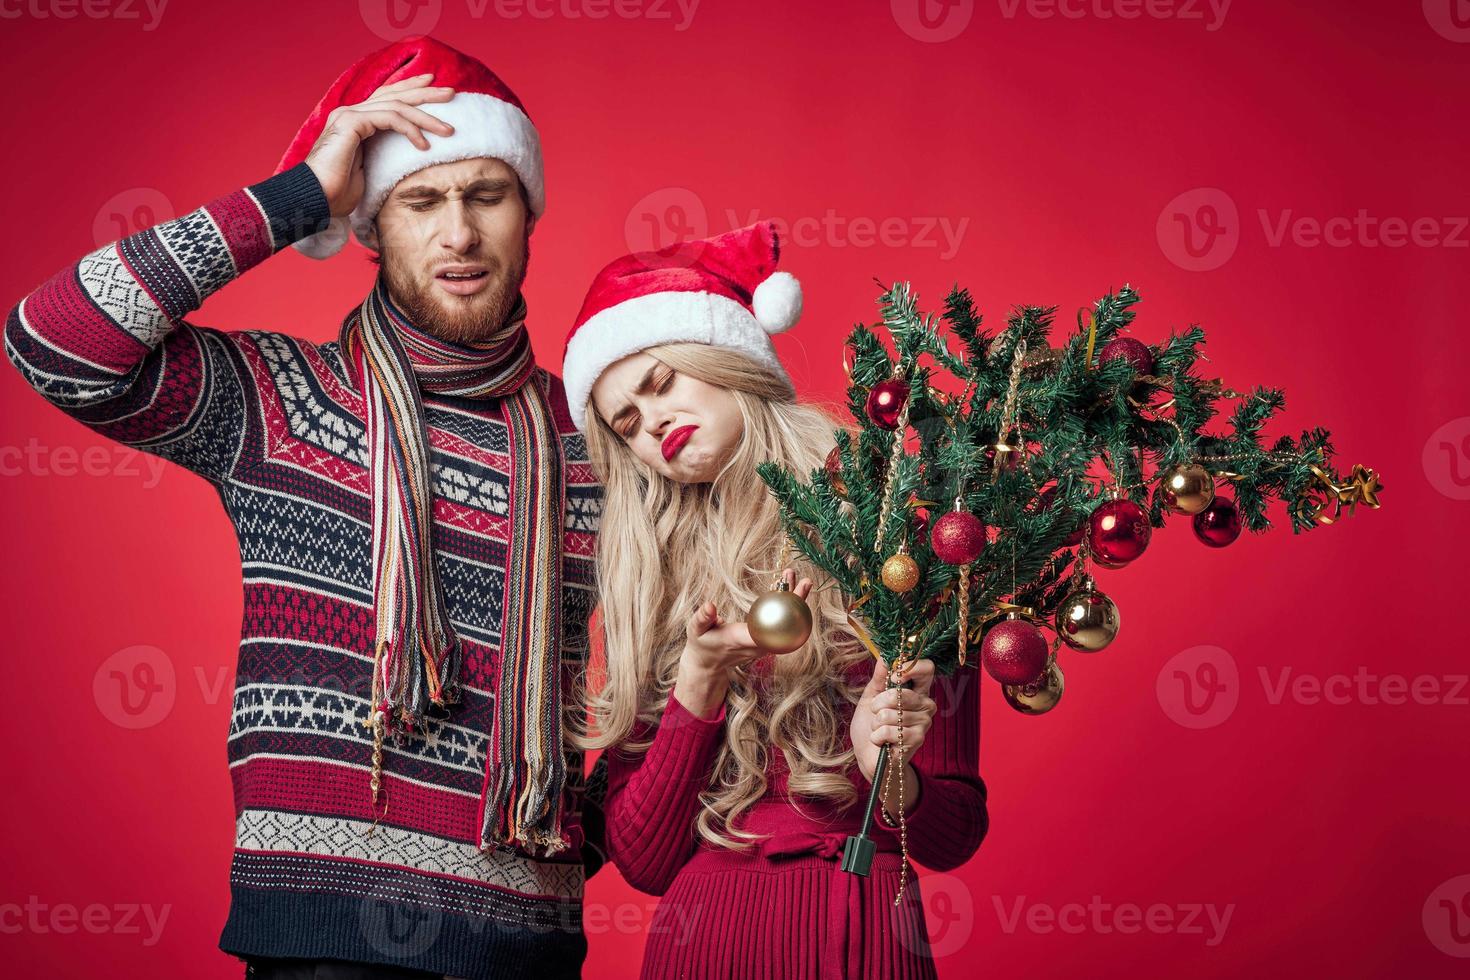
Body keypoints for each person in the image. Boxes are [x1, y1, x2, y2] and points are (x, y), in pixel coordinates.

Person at [4, 37, 602, 980]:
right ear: (369, 227)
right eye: (421, 200)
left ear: (528, 211)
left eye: (486, 194)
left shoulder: (600, 440)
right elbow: (58, 340)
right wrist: (295, 200)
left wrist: (585, 840)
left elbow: (660, 673)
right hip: (319, 940)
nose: (459, 233)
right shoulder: (285, 401)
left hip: (525, 943)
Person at [561, 222, 989, 978]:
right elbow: (644, 862)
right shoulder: (649, 586)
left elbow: (953, 834)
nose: (651, 419)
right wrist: (699, 681)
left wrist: (884, 763)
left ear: (727, 360)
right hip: (704, 942)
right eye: (626, 421)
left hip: (858, 925)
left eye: (661, 382)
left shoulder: (894, 539)